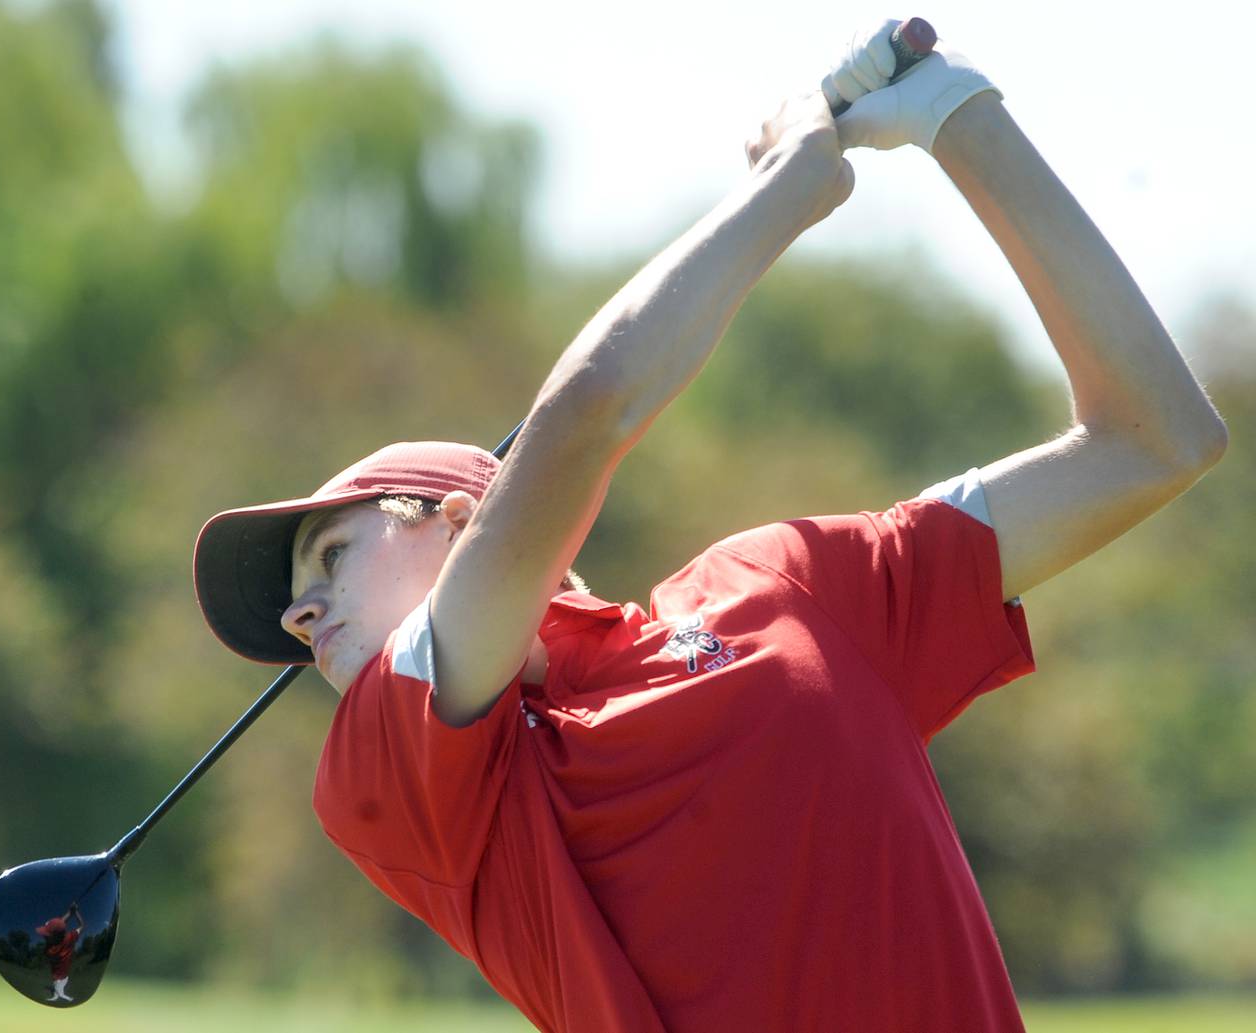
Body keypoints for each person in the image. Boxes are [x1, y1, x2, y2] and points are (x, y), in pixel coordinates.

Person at [190, 22, 1226, 1033]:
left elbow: (1157, 436)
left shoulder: (781, 585)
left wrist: (956, 114)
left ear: (464, 519)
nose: (299, 608)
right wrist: (796, 183)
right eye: (297, 591)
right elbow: (585, 418)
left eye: (332, 552)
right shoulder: (394, 776)